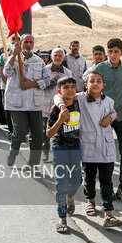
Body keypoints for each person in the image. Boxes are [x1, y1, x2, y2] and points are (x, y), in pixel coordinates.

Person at [63, 71, 122, 228]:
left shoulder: (108, 100)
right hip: (89, 145)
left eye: (99, 81)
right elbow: (59, 97)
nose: (95, 84)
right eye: (92, 81)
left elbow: (114, 112)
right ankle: (90, 201)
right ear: (85, 85)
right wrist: (62, 105)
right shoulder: (80, 98)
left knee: (106, 180)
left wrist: (110, 118)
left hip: (106, 146)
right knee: (89, 177)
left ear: (103, 85)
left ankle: (108, 213)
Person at [91, 38, 122, 204]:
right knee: (101, 151)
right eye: (110, 51)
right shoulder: (100, 68)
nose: (113, 54)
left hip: (121, 114)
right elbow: (90, 88)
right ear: (107, 52)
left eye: (116, 51)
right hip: (103, 117)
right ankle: (102, 188)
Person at [4, 34, 51, 167]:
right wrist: (13, 55)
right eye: (26, 42)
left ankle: (33, 165)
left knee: (37, 137)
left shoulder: (39, 61)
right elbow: (6, 73)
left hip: (34, 104)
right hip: (17, 103)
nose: (28, 45)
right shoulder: (13, 58)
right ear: (21, 43)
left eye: (31, 42)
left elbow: (47, 80)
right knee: (20, 132)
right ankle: (13, 152)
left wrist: (32, 84)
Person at [46, 76, 82, 233]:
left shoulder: (79, 104)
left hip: (75, 148)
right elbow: (49, 133)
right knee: (61, 183)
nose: (70, 90)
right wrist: (60, 120)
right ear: (60, 91)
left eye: (73, 87)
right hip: (59, 147)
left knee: (77, 180)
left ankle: (70, 197)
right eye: (66, 87)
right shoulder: (55, 109)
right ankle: (62, 217)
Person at [41, 47, 72, 161]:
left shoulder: (68, 72)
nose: (58, 58)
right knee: (45, 130)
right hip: (47, 104)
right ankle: (45, 151)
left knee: (62, 130)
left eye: (60, 56)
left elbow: (70, 89)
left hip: (61, 106)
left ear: (63, 58)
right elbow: (42, 86)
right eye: (56, 56)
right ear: (51, 57)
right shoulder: (45, 70)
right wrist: (55, 80)